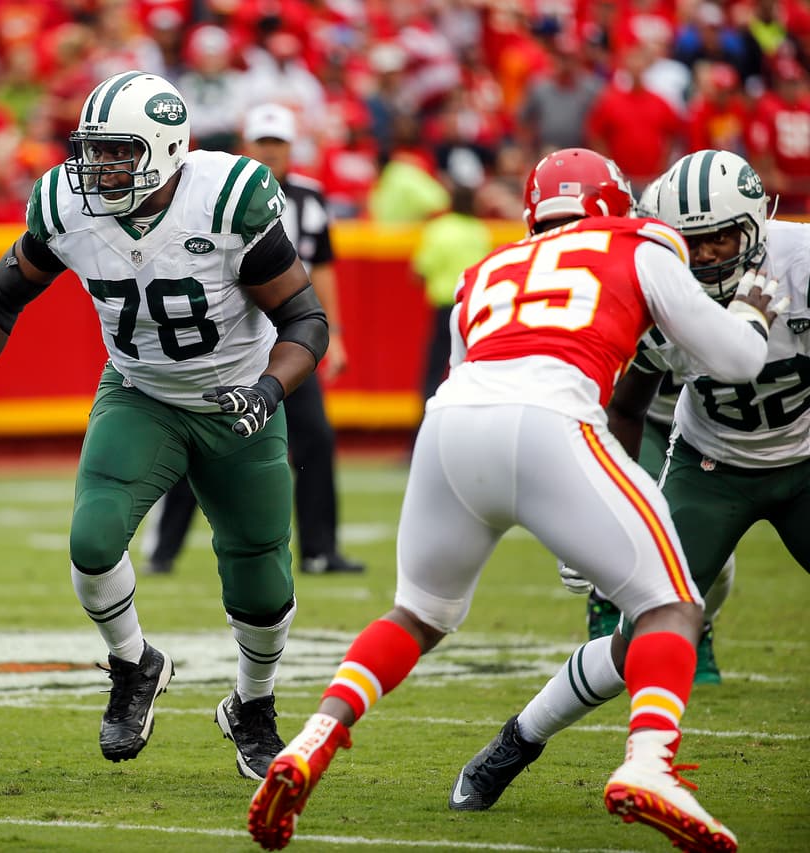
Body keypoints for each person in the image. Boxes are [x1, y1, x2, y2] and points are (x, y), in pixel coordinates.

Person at [248, 148, 782, 853]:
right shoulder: (638, 240)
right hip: (552, 419)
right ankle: (651, 763)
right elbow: (738, 361)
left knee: (418, 613)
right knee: (672, 604)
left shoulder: (485, 272)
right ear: (616, 204)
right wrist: (748, 309)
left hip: (451, 428)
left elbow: (472, 372)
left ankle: (311, 742)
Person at [0, 72, 328, 781]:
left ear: (168, 150)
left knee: (261, 579)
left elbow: (305, 318)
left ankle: (252, 706)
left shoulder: (228, 200)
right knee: (92, 538)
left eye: (118, 153)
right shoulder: (66, 205)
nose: (98, 169)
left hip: (237, 402)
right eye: (93, 151)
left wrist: (268, 389)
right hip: (140, 393)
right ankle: (135, 661)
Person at [447, 149, 807, 824]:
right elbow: (625, 408)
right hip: (713, 467)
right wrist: (597, 501)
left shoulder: (803, 262)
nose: (703, 257)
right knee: (640, 629)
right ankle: (515, 741)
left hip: (807, 458)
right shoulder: (656, 278)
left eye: (721, 239)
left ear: (758, 223)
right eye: (690, 241)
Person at [142, 103, 363, 577]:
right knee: (199, 436)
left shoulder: (309, 197)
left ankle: (320, 550)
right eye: (263, 143)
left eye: (278, 144)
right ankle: (164, 549)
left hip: (288, 338)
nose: (271, 152)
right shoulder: (216, 191)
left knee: (315, 440)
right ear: (248, 146)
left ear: (289, 149)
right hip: (229, 338)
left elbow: (321, 267)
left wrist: (334, 333)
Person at [577, 175, 729, 684]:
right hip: (634, 417)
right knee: (620, 519)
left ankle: (698, 625)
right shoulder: (609, 274)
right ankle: (607, 612)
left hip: (699, 421)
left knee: (710, 559)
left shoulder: (738, 278)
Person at [411, 182, 494, 401]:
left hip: (444, 307)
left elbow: (420, 271)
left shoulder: (438, 229)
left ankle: (426, 419)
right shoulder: (479, 230)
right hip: (473, 308)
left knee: (435, 369)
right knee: (470, 366)